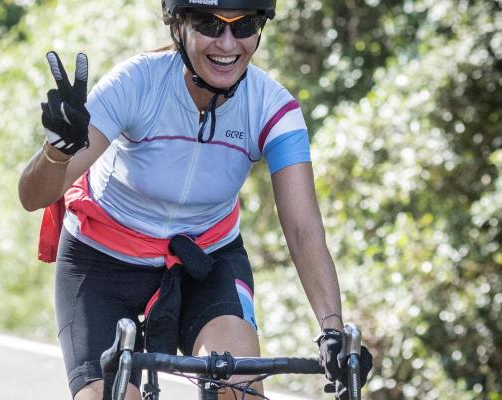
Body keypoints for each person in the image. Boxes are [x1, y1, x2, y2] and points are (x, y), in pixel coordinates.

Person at [19, 0, 372, 399]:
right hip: (101, 260)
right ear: (178, 25)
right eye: (209, 23)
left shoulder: (273, 107)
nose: (227, 42)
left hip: (205, 262)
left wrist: (331, 327)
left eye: (244, 26)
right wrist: (57, 149)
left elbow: (304, 230)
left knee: (238, 390)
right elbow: (33, 197)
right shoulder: (135, 84)